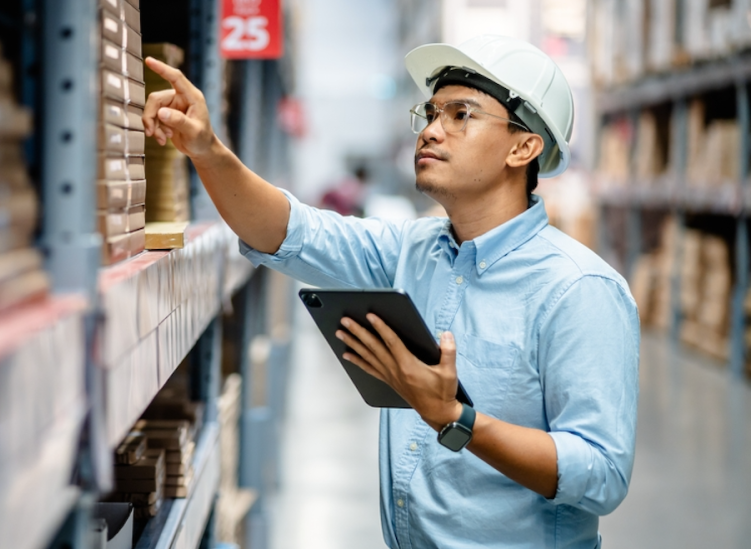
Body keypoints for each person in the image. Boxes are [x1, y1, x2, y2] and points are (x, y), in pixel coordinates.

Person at [142, 35, 639, 549]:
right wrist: (206, 149)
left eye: (460, 114)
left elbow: (601, 474)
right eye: (430, 113)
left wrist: (458, 420)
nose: (430, 131)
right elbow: (290, 232)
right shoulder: (414, 250)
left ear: (524, 146)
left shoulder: (579, 290)